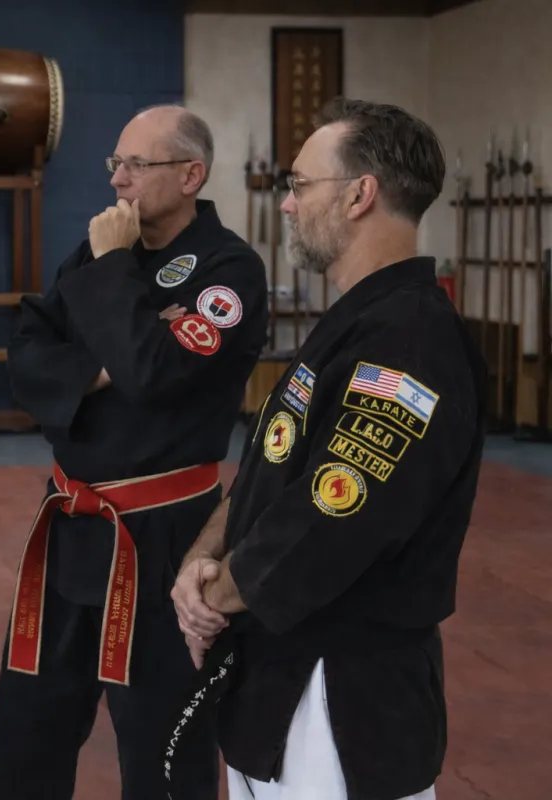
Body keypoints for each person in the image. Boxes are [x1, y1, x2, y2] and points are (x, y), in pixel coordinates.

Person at [171, 98, 487, 800]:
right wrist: (201, 559)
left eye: (299, 185)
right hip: (274, 679)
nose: (286, 205)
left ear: (358, 195)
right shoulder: (351, 326)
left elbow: (330, 517)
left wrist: (211, 598)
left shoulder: (412, 343)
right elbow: (267, 472)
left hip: (343, 700)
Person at [0, 105, 269, 799]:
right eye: (115, 163)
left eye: (138, 164)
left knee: (161, 740)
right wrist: (101, 366)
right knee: (25, 726)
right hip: (72, 524)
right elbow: (25, 353)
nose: (120, 180)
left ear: (191, 174)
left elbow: (157, 374)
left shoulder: (228, 272)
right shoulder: (101, 248)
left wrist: (111, 280)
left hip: (164, 536)